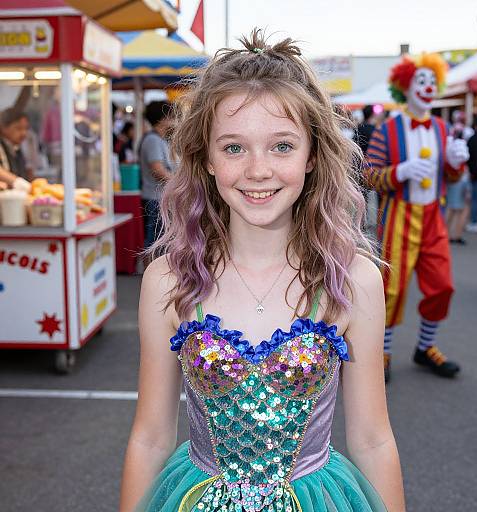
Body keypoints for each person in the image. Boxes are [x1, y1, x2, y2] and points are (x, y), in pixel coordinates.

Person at [120, 29, 405, 512]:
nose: (257, 170)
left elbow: (373, 439)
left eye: (281, 146)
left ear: (312, 155)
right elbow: (149, 437)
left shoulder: (353, 279)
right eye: (233, 148)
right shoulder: (168, 280)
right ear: (206, 159)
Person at [366, 53, 469, 382]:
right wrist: (400, 172)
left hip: (433, 217)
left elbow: (451, 178)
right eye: (419, 81)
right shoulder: (388, 129)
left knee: (442, 286)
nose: (426, 87)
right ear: (405, 86)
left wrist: (455, 163)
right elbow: (369, 176)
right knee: (391, 289)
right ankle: (382, 351)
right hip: (399, 215)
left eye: (431, 81)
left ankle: (425, 348)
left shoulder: (441, 127)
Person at [139, 101, 175, 250]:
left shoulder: (160, 139)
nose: (175, 120)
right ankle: (150, 272)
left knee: (159, 241)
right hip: (155, 199)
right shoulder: (153, 140)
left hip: (160, 198)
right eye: (172, 116)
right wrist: (182, 183)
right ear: (163, 119)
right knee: (154, 242)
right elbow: (158, 171)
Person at [446, 111, 473, 245]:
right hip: (462, 175)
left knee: (455, 206)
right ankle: (452, 234)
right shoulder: (466, 133)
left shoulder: (451, 131)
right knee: (457, 207)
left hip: (460, 174)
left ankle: (450, 234)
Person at [0, 108, 31, 192]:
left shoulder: (17, 148)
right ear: (4, 128)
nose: (23, 133)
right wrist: (16, 181)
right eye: (18, 128)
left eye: (26, 128)